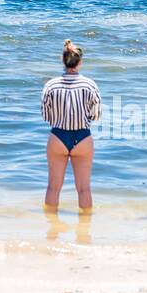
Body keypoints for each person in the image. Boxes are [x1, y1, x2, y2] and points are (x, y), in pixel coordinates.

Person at [41, 39, 101, 212]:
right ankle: (85, 232)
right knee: (84, 189)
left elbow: (47, 115)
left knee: (53, 187)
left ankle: (51, 230)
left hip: (58, 136)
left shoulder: (51, 85)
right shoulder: (90, 85)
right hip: (83, 137)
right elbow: (95, 115)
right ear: (80, 62)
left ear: (63, 61)